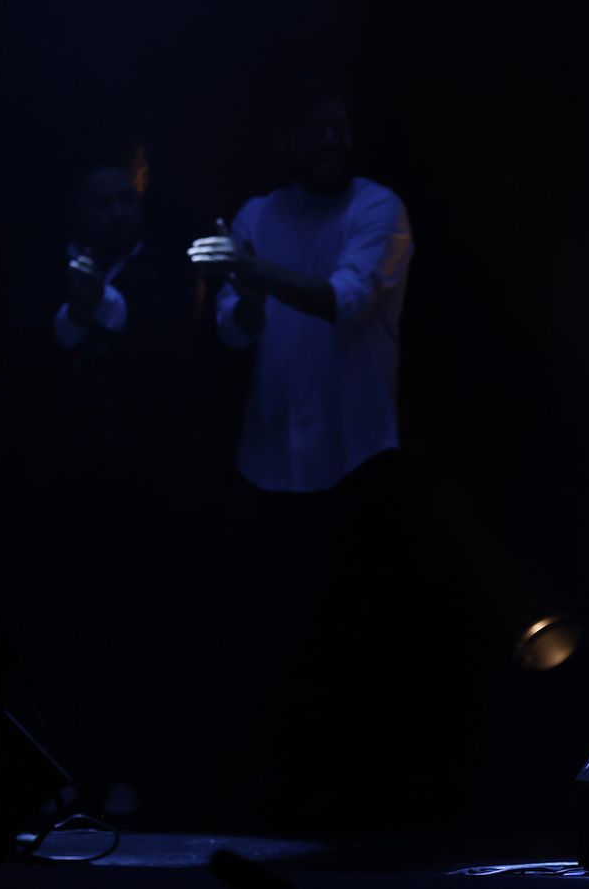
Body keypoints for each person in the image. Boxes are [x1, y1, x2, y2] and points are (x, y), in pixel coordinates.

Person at [185, 71, 413, 827]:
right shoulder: (259, 213)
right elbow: (233, 330)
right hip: (270, 454)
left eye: (339, 127)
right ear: (289, 138)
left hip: (355, 455)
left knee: (350, 640)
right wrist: (242, 293)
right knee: (266, 637)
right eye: (315, 128)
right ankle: (269, 791)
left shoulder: (379, 208)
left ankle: (352, 803)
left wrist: (248, 267)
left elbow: (345, 301)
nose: (329, 141)